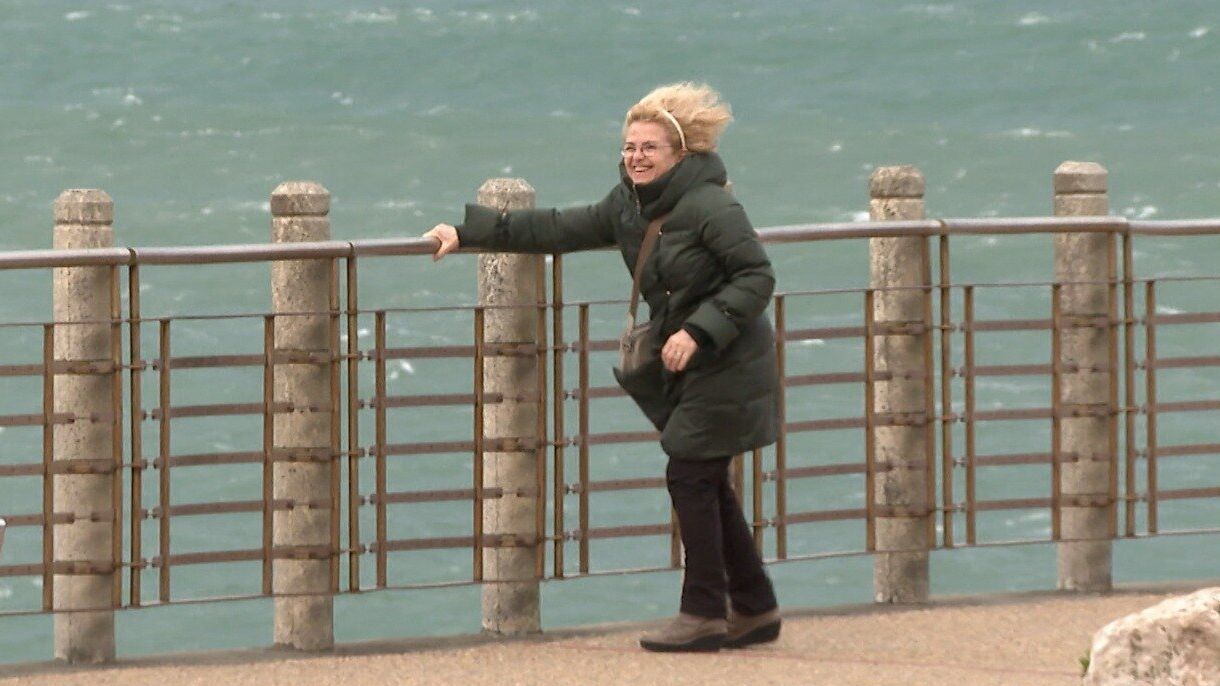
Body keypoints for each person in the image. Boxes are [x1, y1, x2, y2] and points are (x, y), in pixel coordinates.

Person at [424, 82, 781, 653]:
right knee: (705, 477)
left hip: (728, 358)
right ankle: (756, 607)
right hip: (685, 362)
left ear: (681, 154)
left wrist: (697, 329)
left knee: (689, 473)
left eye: (650, 148)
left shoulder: (711, 205)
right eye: (629, 146)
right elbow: (558, 228)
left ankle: (705, 613)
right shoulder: (629, 205)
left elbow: (757, 277)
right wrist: (466, 232)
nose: (636, 157)